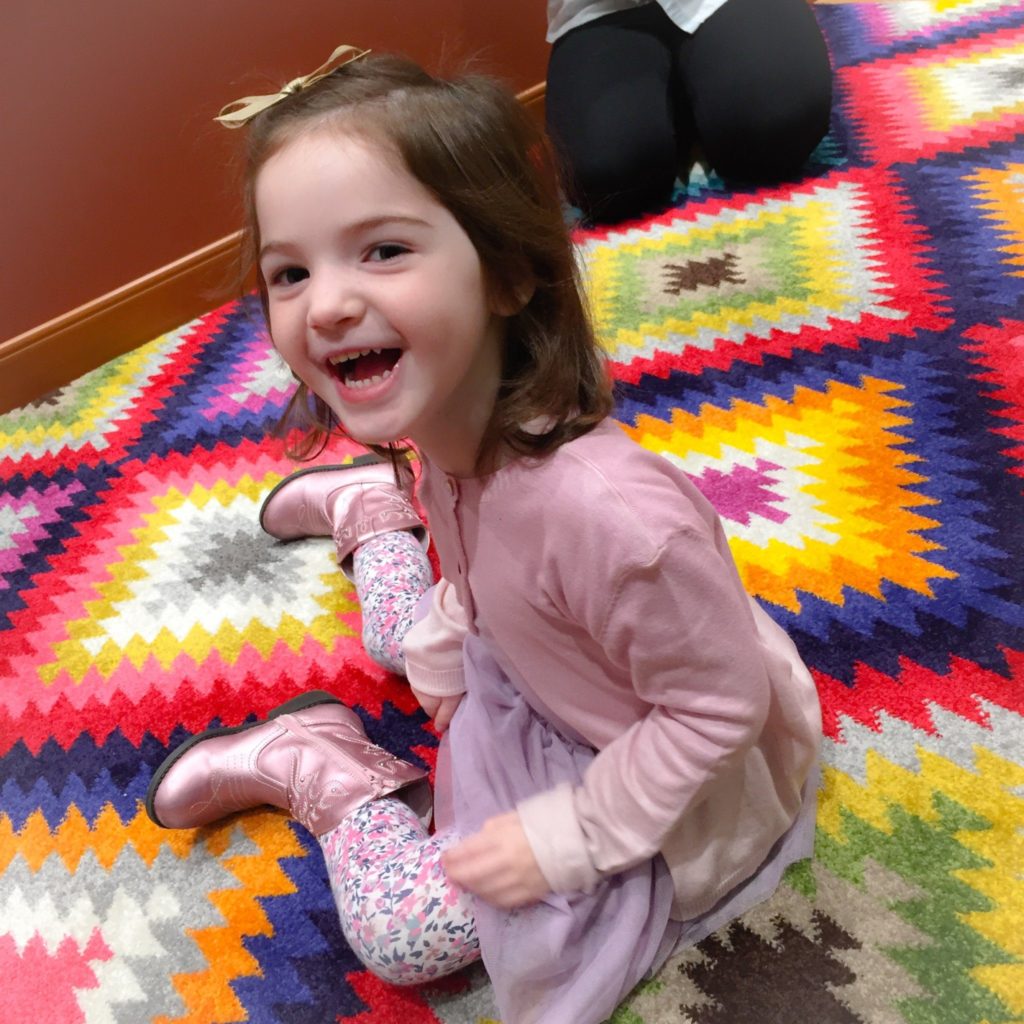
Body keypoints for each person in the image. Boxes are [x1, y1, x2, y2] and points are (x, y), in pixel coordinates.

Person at [145, 47, 822, 1024]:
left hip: (640, 768)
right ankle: (369, 514)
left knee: (403, 933)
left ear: (506, 273)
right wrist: (454, 645)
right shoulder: (450, 429)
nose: (324, 303)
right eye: (289, 271)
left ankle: (323, 761)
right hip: (527, 654)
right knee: (407, 637)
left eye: (383, 251)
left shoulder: (613, 521)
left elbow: (717, 709)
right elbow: (471, 579)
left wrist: (573, 834)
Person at [545, 0, 834, 222]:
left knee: (779, 127)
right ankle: (681, 96)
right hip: (600, 9)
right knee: (605, 180)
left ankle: (707, 93)